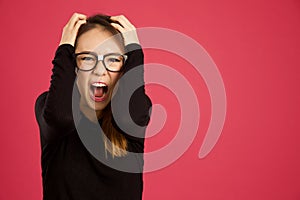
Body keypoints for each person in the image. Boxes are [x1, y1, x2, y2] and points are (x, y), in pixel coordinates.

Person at [35, 13, 152, 200]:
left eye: (113, 59)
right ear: (72, 66)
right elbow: (61, 116)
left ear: (124, 70)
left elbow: (130, 115)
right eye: (87, 58)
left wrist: (135, 51)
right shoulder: (48, 107)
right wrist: (64, 48)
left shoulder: (132, 115)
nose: (99, 70)